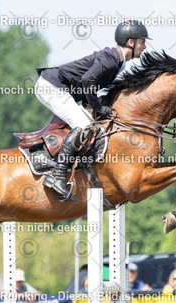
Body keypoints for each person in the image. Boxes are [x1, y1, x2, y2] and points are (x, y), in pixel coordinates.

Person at [35, 20, 149, 201]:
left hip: (59, 88)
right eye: (142, 42)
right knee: (83, 125)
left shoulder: (118, 61)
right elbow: (88, 80)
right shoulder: (112, 58)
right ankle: (57, 176)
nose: (144, 47)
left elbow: (88, 82)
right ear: (130, 42)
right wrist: (97, 107)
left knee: (87, 123)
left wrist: (95, 106)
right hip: (52, 86)